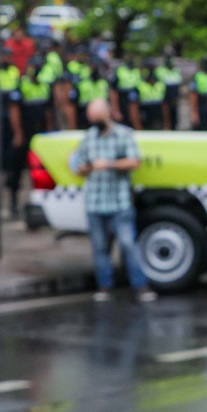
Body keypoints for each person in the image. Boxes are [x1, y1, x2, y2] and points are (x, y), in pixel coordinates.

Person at [67, 97, 153, 303]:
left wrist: (109, 164)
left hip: (119, 202)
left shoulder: (123, 135)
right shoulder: (88, 138)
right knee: (100, 248)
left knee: (127, 245)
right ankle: (105, 286)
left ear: (107, 113)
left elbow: (134, 161)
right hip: (95, 202)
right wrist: (88, 167)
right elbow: (79, 167)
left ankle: (140, 286)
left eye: (98, 117)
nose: (95, 122)